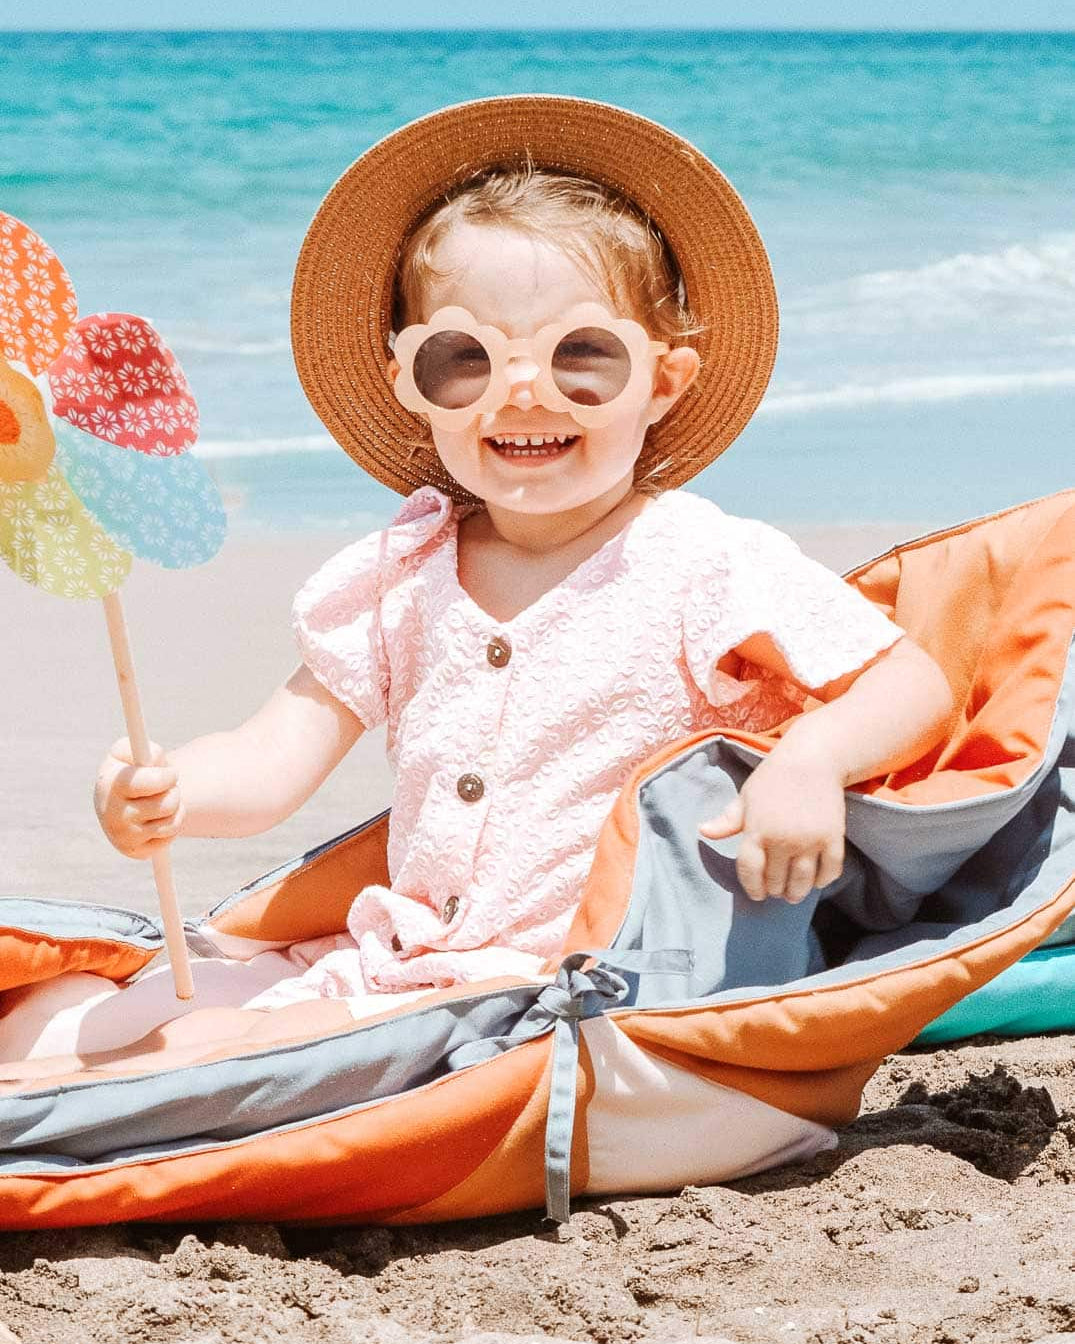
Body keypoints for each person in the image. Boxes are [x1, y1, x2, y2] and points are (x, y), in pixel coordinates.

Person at [87, 96, 952, 1019]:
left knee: (241, 1048)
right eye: (462, 359)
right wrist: (168, 789)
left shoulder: (701, 561)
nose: (524, 393)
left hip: (615, 980)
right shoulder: (402, 574)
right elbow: (270, 760)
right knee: (77, 1013)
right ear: (408, 385)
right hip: (416, 959)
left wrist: (809, 762)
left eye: (584, 355)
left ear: (664, 380)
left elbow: (910, 683)